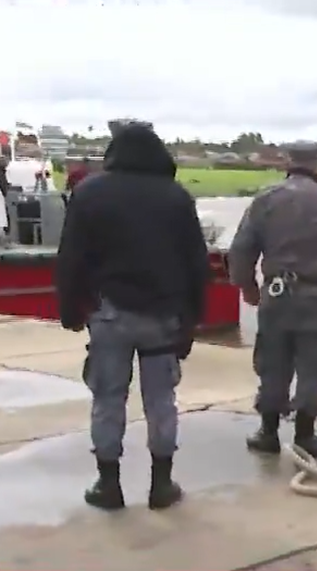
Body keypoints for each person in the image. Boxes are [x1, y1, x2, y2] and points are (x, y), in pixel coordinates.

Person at [54, 124, 210, 512]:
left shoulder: (89, 192)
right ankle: (161, 485)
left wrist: (69, 309)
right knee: (161, 400)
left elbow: (71, 256)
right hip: (162, 316)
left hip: (109, 314)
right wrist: (191, 321)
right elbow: (196, 265)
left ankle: (109, 486)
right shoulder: (177, 198)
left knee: (108, 399)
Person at [228, 140, 317, 460]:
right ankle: (305, 433)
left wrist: (246, 286)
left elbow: (241, 249)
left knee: (272, 361)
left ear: (287, 162)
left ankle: (268, 431)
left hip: (274, 294)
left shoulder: (265, 200)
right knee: (312, 364)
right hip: (313, 295)